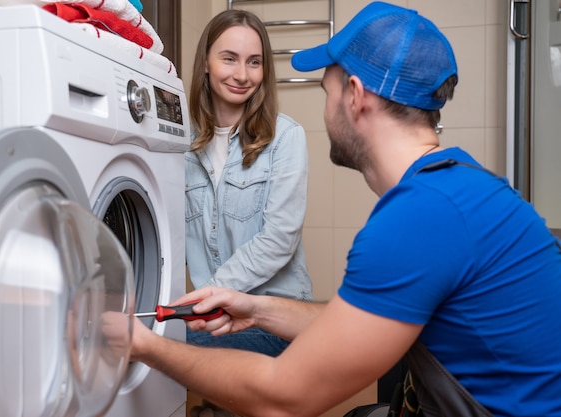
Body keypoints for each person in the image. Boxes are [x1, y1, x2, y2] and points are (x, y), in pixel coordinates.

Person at [104, 2, 561, 416]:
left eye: (326, 90)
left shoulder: (419, 219)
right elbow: (357, 320)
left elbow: (284, 396)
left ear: (355, 95)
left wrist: (145, 346)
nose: (324, 110)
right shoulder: (453, 187)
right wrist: (257, 309)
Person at [184, 8, 313, 358]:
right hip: (215, 316)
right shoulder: (181, 147)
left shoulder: (286, 137)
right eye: (229, 59)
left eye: (254, 62)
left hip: (275, 320)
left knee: (160, 343)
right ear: (206, 63)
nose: (242, 75)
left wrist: (205, 296)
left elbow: (279, 240)